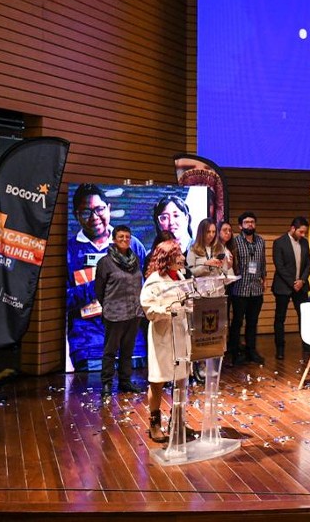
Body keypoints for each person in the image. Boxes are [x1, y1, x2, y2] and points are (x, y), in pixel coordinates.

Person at [66, 183, 147, 371]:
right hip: (89, 346)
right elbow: (64, 299)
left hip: (133, 342)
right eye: (86, 212)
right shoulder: (70, 250)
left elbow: (147, 289)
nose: (94, 217)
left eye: (99, 209)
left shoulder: (133, 245)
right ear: (77, 215)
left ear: (108, 208)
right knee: (94, 388)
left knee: (134, 388)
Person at [139, 239, 193, 443]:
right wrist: (169, 311)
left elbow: (186, 300)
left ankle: (177, 421)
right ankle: (154, 424)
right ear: (166, 258)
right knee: (158, 380)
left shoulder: (181, 276)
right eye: (177, 254)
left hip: (181, 334)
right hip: (163, 335)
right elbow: (149, 309)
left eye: (180, 254)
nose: (181, 258)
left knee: (181, 379)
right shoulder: (154, 281)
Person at [93, 224, 144, 399]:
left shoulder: (135, 260)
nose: (124, 240)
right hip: (114, 314)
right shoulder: (105, 262)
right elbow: (99, 290)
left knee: (127, 350)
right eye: (121, 237)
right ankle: (107, 383)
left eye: (127, 237)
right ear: (114, 239)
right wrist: (109, 305)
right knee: (110, 351)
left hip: (134, 312)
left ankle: (125, 381)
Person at [229, 211, 267, 366]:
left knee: (252, 322)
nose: (250, 224)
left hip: (256, 289)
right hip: (240, 289)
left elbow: (263, 262)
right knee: (237, 322)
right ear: (240, 226)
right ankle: (235, 352)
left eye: (252, 222)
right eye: (246, 222)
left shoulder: (261, 241)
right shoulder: (235, 242)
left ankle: (251, 350)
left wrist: (264, 279)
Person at [272, 216, 310, 360]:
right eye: (301, 232)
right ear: (293, 228)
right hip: (284, 286)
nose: (303, 235)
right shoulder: (279, 242)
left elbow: (309, 264)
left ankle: (307, 345)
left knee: (304, 316)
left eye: (305, 232)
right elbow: (279, 266)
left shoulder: (305, 242)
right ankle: (280, 348)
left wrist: (302, 280)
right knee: (280, 317)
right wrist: (293, 282)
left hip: (301, 286)